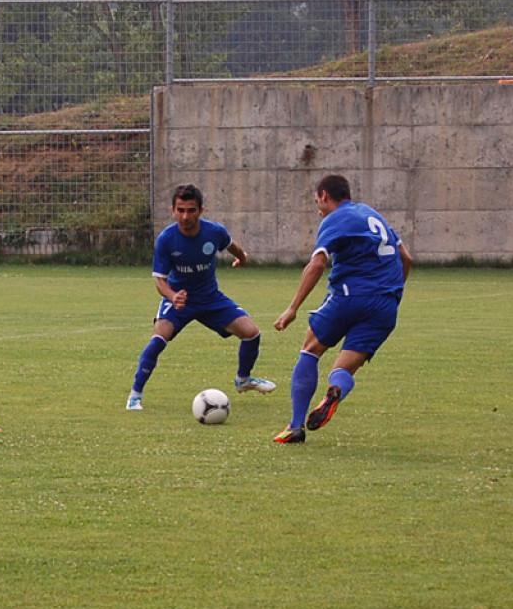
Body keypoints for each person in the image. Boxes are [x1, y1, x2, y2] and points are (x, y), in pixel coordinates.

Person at [273, 174, 413, 443]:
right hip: (385, 305)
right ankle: (335, 390)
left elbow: (317, 264)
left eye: (317, 201)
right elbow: (406, 258)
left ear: (324, 195)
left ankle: (295, 426)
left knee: (311, 349)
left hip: (349, 297)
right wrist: (392, 293)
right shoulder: (373, 215)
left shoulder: (335, 219)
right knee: (343, 370)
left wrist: (292, 308)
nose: (318, 209)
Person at [126, 184, 275, 410]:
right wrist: (172, 296)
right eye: (180, 210)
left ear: (201, 210)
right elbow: (160, 281)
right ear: (173, 210)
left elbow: (230, 245)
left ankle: (243, 380)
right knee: (158, 339)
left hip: (210, 298)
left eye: (191, 210)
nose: (185, 216)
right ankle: (135, 396)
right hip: (179, 300)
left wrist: (242, 257)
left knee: (251, 333)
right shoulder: (167, 239)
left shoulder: (214, 232)